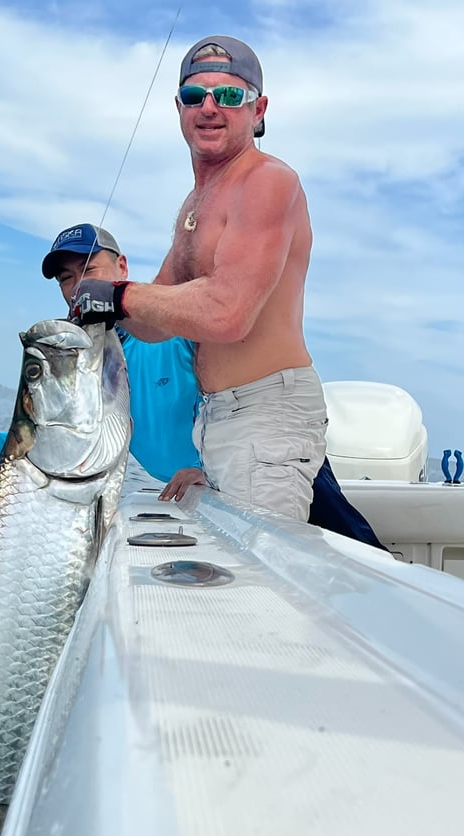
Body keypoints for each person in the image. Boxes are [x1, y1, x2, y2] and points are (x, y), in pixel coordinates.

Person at [0, 222, 384, 547]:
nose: (75, 287)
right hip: (202, 504)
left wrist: (212, 472)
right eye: (66, 278)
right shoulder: (82, 361)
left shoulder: (169, 326)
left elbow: (241, 403)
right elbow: (58, 443)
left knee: (355, 563)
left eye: (89, 270)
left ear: (122, 266)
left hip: (259, 472)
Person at [69, 36, 326, 524]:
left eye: (229, 96)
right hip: (218, 419)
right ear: (179, 108)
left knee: (260, 586)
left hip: (266, 410)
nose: (209, 108)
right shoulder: (195, 205)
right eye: (195, 96)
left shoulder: (268, 181)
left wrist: (118, 295)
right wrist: (97, 318)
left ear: (259, 109)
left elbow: (227, 314)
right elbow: (156, 321)